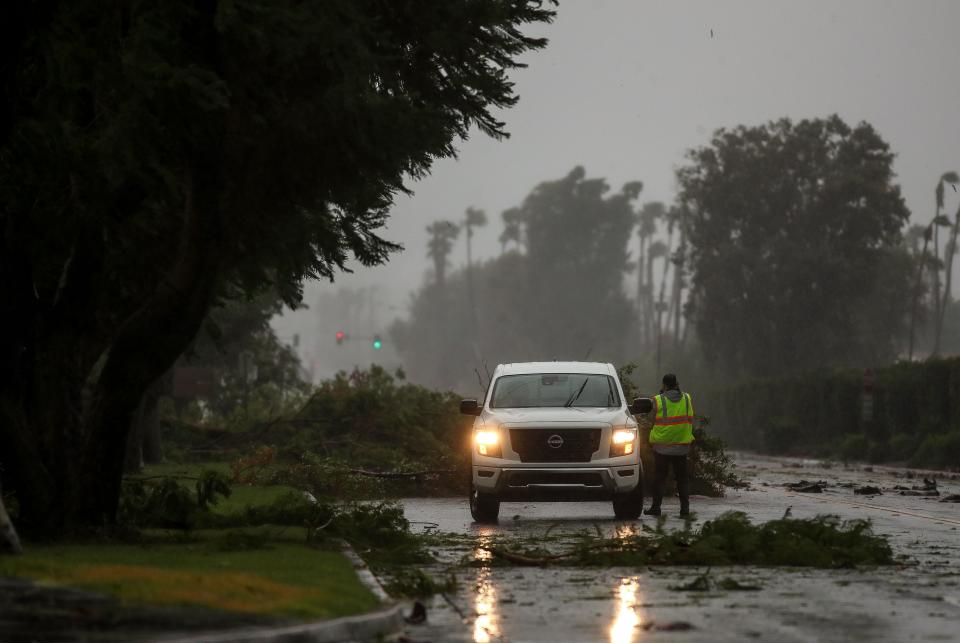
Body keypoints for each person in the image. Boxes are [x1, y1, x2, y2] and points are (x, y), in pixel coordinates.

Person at [645, 373, 694, 517]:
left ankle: (656, 508)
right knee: (682, 479)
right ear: (677, 384)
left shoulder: (658, 400)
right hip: (682, 446)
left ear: (664, 385)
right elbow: (690, 418)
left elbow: (649, 419)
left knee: (659, 477)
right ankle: (685, 511)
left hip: (662, 447)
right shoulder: (686, 398)